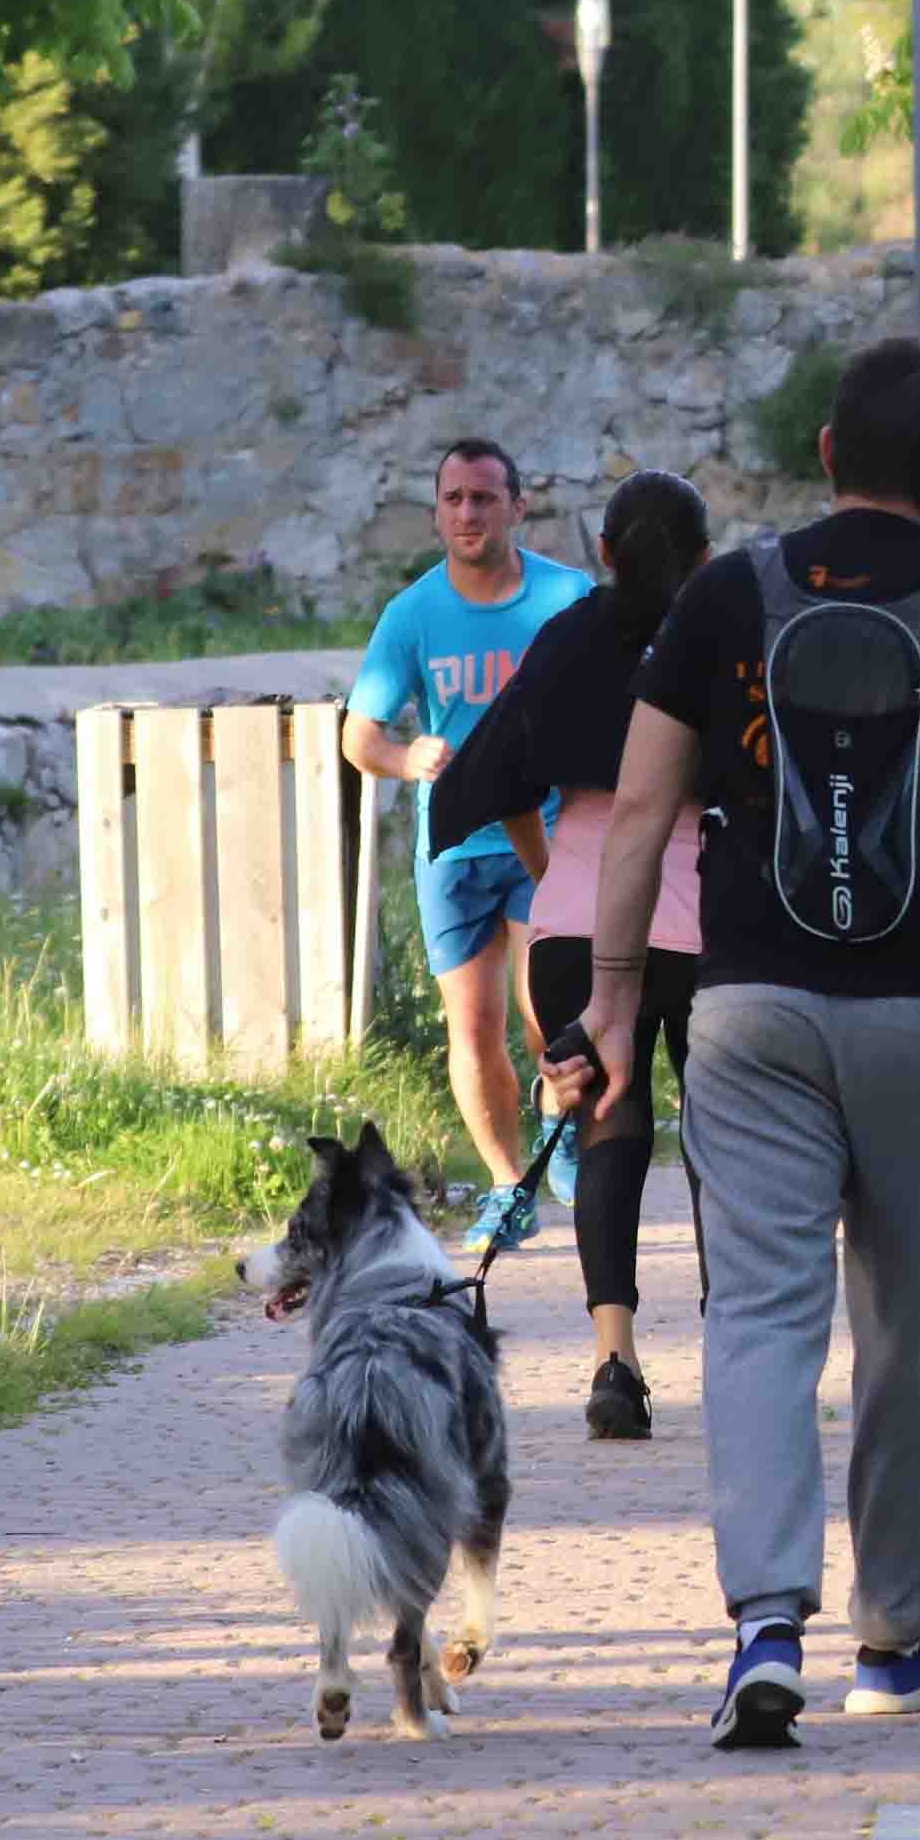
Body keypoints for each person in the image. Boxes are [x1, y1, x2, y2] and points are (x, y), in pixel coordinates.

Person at [556, 338, 920, 1750]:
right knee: (905, 1329)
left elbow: (637, 817)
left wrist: (615, 1000)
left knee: (756, 1315)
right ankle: (896, 1630)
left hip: (746, 1010)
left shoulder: (726, 595)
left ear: (822, 451)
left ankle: (763, 1620)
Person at [426, 470, 714, 1441]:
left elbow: (496, 770)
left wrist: (551, 871)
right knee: (728, 1138)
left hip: (577, 923)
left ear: (602, 554)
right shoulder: (720, 640)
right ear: (705, 557)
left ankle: (613, 1358)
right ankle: (741, 1345)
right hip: (706, 923)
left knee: (607, 1130)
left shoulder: (569, 639)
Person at [349, 439, 595, 1256]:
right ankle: (504, 1185)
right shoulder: (412, 614)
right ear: (436, 513)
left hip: (550, 836)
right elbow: (362, 734)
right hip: (453, 846)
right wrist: (404, 758)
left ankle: (561, 1126)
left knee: (543, 1010)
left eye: (484, 498)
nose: (468, 514)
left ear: (518, 508)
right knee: (473, 1023)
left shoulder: (566, 596)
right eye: (453, 499)